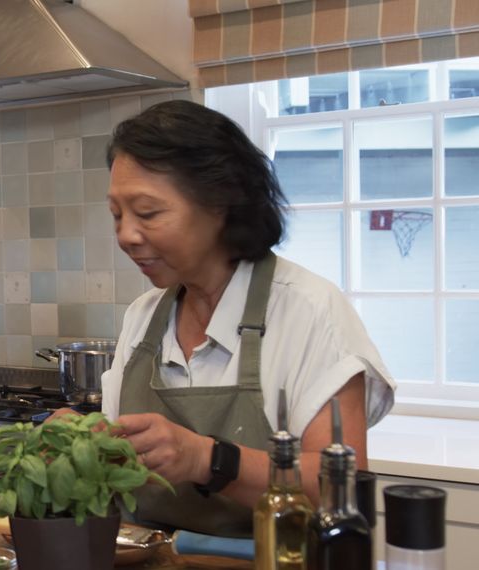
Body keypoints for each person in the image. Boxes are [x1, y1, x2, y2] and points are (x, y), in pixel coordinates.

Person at [98, 100, 395, 536]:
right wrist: (83, 447)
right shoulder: (143, 319)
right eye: (117, 214)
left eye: (147, 213)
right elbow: (119, 467)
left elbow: (340, 489)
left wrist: (206, 459)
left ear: (219, 204)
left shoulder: (310, 312)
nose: (126, 235)